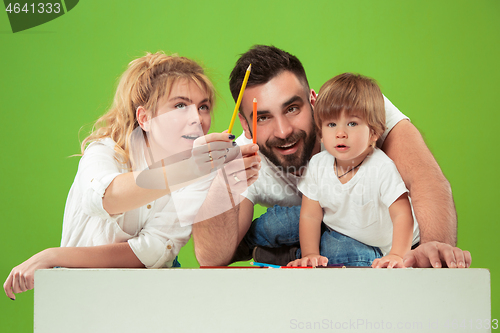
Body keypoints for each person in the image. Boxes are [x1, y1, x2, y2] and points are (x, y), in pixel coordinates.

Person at [4, 52, 259, 300]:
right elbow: (108, 198)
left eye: (203, 107)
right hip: (80, 291)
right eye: (180, 105)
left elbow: (151, 252)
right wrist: (191, 168)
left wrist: (54, 256)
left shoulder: (200, 172)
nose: (197, 118)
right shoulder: (104, 153)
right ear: (144, 118)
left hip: (148, 295)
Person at [192, 45, 471, 269]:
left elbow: (427, 179)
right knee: (284, 222)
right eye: (263, 117)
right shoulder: (244, 157)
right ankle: (285, 253)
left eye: (292, 108)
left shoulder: (355, 111)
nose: (283, 131)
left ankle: (287, 254)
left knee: (338, 247)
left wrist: (432, 249)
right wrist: (222, 182)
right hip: (315, 229)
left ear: (314, 100)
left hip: (380, 240)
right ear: (245, 125)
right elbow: (211, 258)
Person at [287, 73, 415, 268]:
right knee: (276, 224)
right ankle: (263, 246)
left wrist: (398, 254)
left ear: (374, 132)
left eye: (352, 124)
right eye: (331, 124)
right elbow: (310, 215)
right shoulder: (318, 164)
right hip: (338, 227)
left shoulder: (381, 167)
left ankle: (285, 253)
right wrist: (310, 254)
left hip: (380, 245)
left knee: (338, 251)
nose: (340, 133)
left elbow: (402, 215)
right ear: (320, 132)